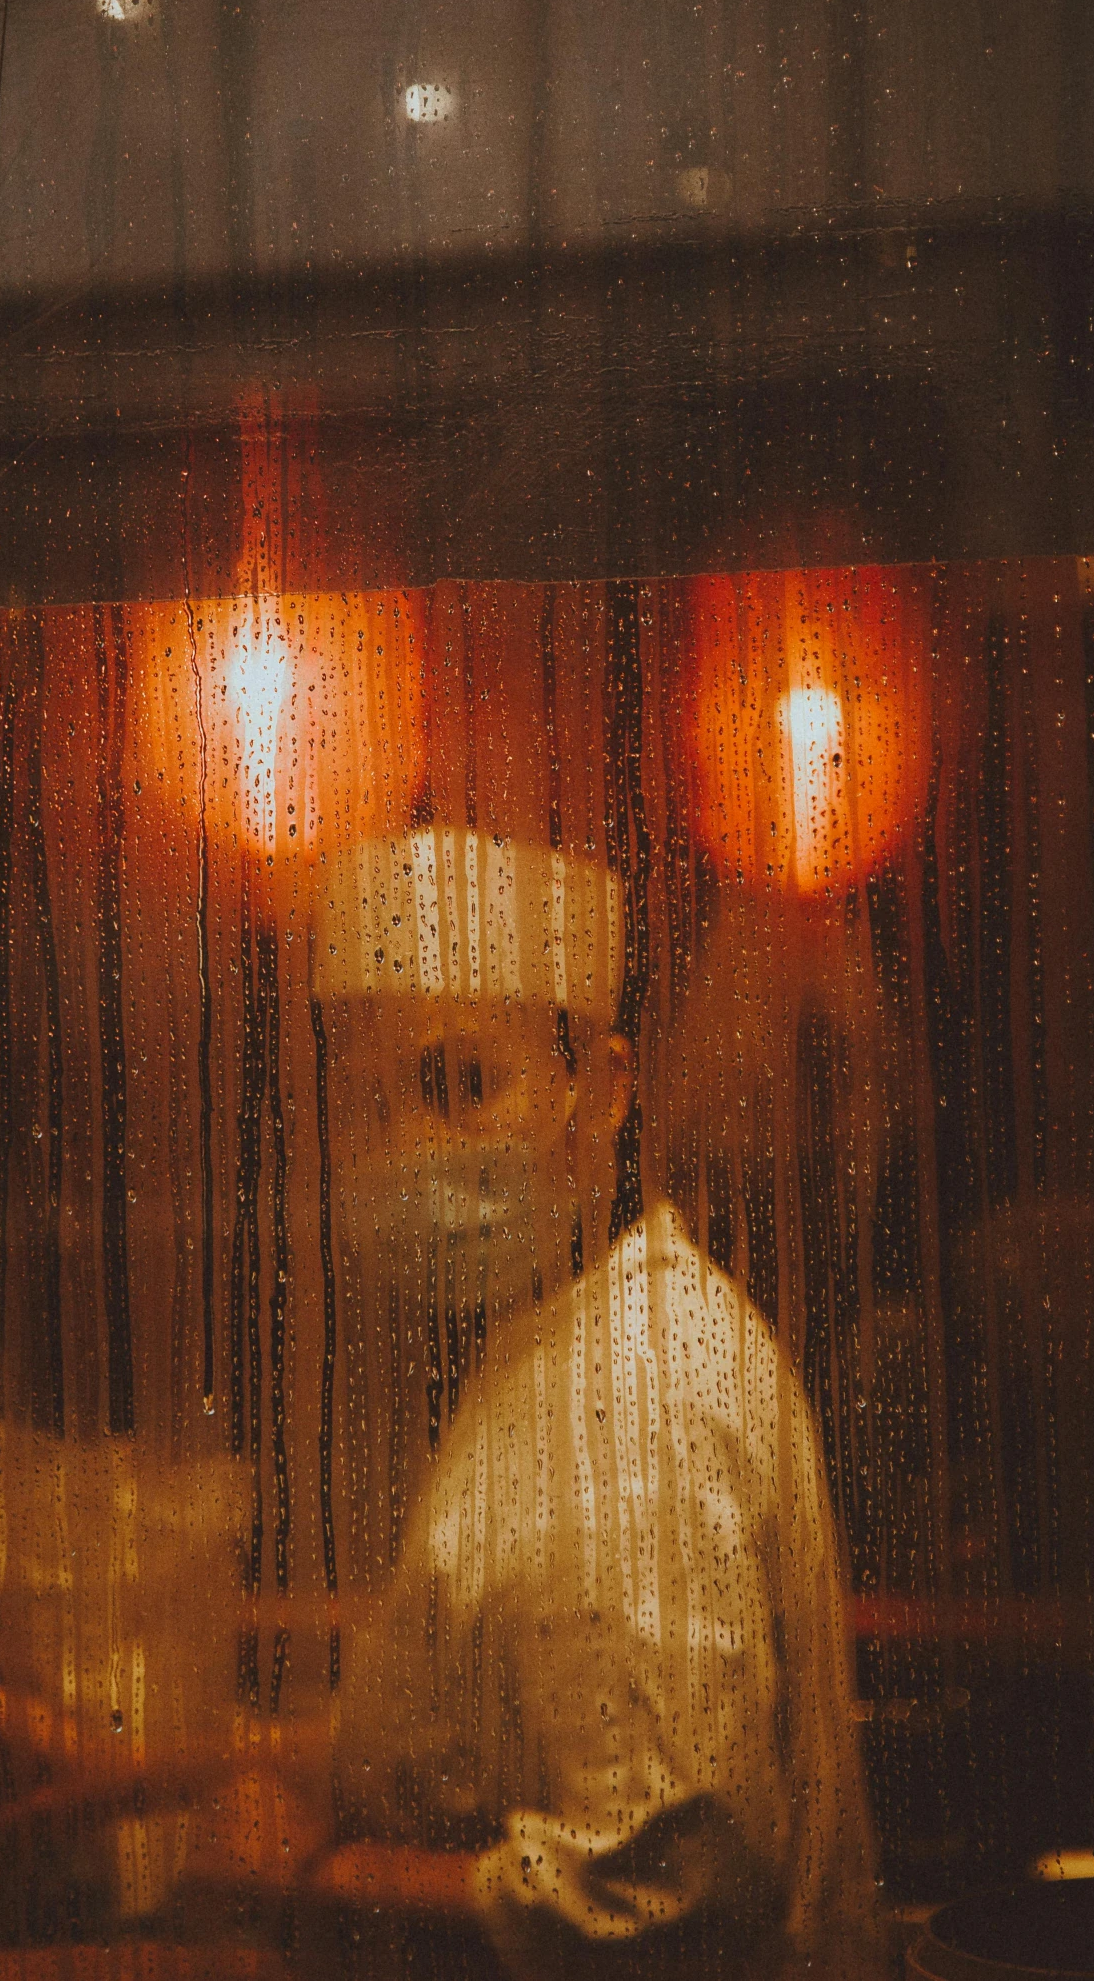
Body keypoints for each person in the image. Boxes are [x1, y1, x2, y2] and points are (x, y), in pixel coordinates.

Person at [293, 828, 879, 1980]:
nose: (409, 1145)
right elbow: (473, 1734)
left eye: (461, 1083)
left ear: (603, 1089)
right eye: (366, 1105)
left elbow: (664, 1888)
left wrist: (311, 1872)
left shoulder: (634, 1403)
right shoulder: (561, 1340)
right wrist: (172, 1763)